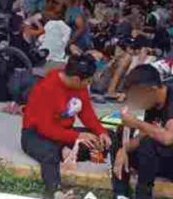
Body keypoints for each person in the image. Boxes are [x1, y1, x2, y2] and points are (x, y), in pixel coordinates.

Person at [112, 64, 173, 199]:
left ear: (151, 90)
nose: (135, 102)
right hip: (169, 158)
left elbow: (167, 137)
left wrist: (136, 123)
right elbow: (145, 133)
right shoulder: (153, 102)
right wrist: (124, 149)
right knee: (116, 139)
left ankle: (143, 196)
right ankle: (121, 194)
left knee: (149, 144)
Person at [22, 54, 110, 199]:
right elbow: (45, 128)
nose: (89, 84)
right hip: (36, 134)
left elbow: (87, 114)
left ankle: (66, 151)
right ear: (76, 79)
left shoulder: (79, 86)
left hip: (63, 133)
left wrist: (101, 132)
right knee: (49, 154)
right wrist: (77, 136)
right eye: (88, 81)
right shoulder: (46, 88)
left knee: (104, 139)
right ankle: (56, 192)